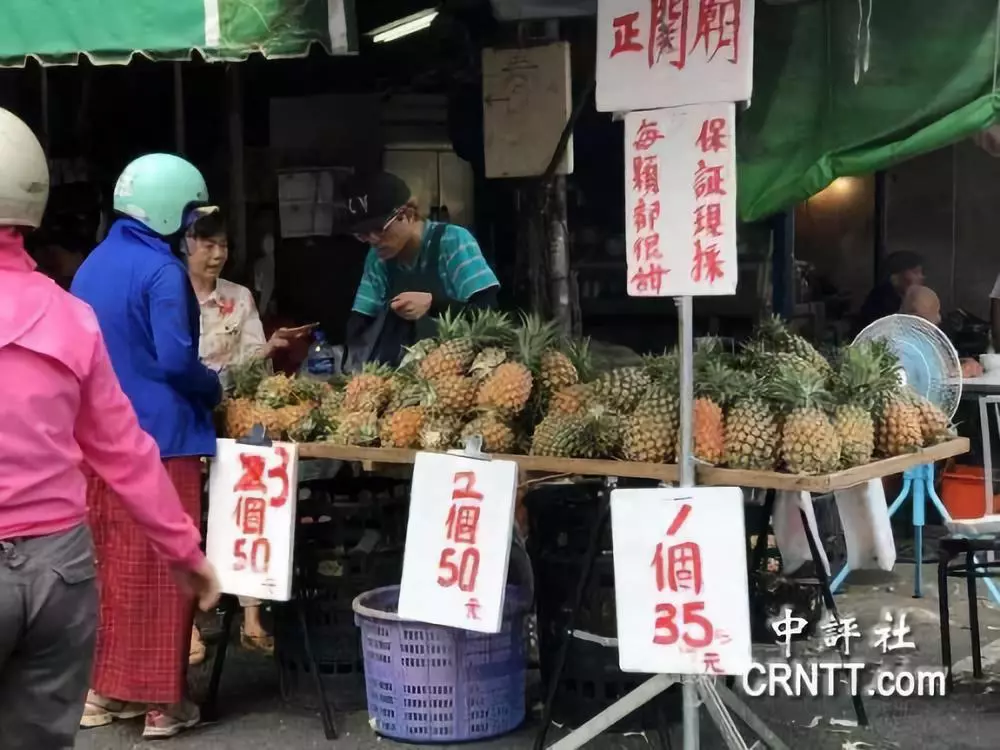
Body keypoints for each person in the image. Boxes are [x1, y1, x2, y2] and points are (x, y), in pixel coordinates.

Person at [0, 109, 220, 750]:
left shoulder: (95, 272)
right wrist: (185, 551)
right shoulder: (68, 315)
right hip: (59, 575)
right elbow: (125, 450)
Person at [70, 154, 224, 739]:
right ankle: (163, 703)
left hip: (98, 440)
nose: (191, 228)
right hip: (163, 438)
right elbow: (176, 360)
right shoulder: (162, 272)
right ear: (167, 212)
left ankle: (103, 693)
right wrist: (212, 389)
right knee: (166, 571)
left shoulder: (91, 267)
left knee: (110, 569)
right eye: (189, 215)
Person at [185, 208, 312, 659]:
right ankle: (188, 625)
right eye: (208, 245)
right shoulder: (168, 293)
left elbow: (252, 358)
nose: (217, 254)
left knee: (245, 504)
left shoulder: (238, 298)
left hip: (233, 416)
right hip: (185, 415)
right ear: (186, 244)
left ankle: (252, 615)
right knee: (187, 519)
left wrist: (271, 349)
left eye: (223, 246)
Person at [343, 172, 500, 369]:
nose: (373, 240)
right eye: (362, 234)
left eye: (380, 229)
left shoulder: (453, 241)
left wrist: (434, 304)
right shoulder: (377, 259)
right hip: (405, 374)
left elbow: (489, 313)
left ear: (407, 215)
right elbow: (360, 322)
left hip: (458, 371)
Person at [900, 285, 982, 378]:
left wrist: (960, 363)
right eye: (934, 313)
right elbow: (916, 373)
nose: (939, 319)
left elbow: (938, 363)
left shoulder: (929, 340)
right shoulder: (900, 342)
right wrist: (957, 372)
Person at [856, 251, 925, 335]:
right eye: (915, 272)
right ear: (895, 277)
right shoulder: (879, 300)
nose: (921, 277)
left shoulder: (915, 299)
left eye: (921, 272)